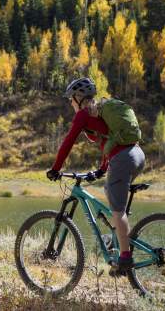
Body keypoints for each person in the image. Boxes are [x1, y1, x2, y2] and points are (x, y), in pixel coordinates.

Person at [46, 77, 145, 275]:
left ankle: (125, 259)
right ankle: (117, 243)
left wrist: (56, 168)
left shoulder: (84, 114)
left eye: (71, 99)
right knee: (111, 195)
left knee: (117, 210)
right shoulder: (100, 112)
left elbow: (68, 141)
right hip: (137, 154)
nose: (70, 102)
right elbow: (110, 141)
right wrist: (101, 169)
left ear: (78, 97)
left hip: (123, 158)